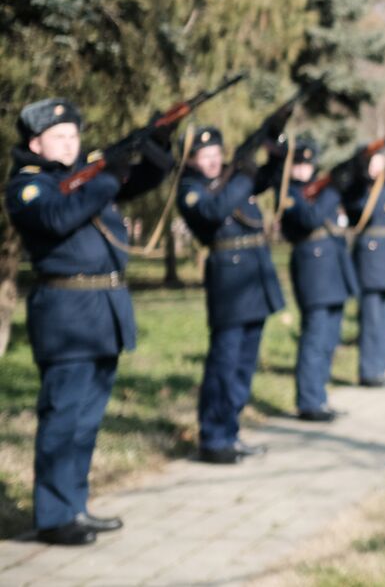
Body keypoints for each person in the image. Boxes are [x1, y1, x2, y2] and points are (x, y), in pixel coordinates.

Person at [6, 99, 173, 545]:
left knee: (86, 421)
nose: (69, 143)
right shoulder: (28, 187)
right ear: (35, 142)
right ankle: (54, 517)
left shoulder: (83, 180)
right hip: (66, 316)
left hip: (103, 312)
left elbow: (142, 179)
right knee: (63, 418)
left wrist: (157, 143)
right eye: (59, 136)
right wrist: (107, 174)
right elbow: (58, 218)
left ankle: (75, 507)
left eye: (74, 135)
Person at [176, 126, 285, 464]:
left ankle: (230, 431)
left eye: (216, 154)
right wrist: (243, 173)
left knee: (243, 364)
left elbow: (264, 179)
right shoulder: (191, 189)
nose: (213, 160)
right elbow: (214, 211)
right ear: (192, 159)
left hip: (255, 276)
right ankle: (213, 436)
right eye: (205, 155)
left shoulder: (233, 179)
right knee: (224, 363)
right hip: (229, 282)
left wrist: (274, 156)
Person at [281, 136, 357, 421]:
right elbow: (311, 218)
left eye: (307, 164)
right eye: (298, 164)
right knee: (314, 338)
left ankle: (320, 397)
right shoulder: (290, 192)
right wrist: (332, 191)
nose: (303, 170)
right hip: (313, 272)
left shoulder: (321, 190)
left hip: (334, 270)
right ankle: (309, 401)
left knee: (329, 339)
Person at [342, 146, 385, 387]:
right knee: (371, 317)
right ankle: (369, 370)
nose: (377, 168)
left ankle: (380, 366)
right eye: (372, 163)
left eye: (380, 163)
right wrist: (363, 175)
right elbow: (356, 205)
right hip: (370, 256)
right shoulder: (359, 188)